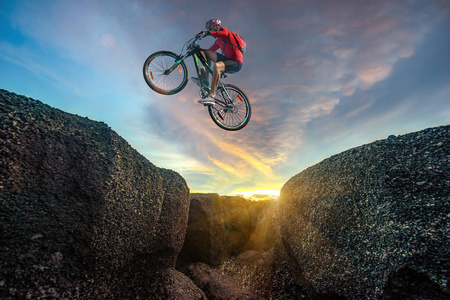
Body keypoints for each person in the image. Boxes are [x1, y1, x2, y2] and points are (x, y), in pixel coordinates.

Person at [194, 19, 244, 105]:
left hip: (236, 63)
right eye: (209, 30)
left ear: (217, 26)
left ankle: (211, 96)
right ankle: (205, 81)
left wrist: (207, 33)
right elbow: (209, 51)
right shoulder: (218, 41)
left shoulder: (225, 32)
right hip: (227, 60)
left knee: (217, 66)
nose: (210, 31)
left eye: (211, 29)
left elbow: (224, 33)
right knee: (206, 54)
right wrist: (197, 49)